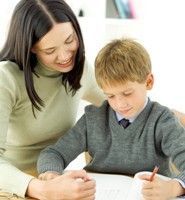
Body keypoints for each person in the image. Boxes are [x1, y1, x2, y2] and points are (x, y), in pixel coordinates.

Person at [37, 38, 185, 200]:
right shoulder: (93, 118)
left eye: (127, 93)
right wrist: (50, 174)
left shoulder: (163, 121)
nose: (120, 104)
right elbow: (54, 153)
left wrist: (173, 188)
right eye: (110, 96)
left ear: (148, 82)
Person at [0, 0, 105, 199]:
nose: (65, 56)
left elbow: (127, 104)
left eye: (69, 40)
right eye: (50, 50)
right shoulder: (6, 78)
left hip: (54, 179)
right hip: (10, 186)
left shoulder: (81, 70)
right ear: (31, 47)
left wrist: (174, 119)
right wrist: (42, 189)